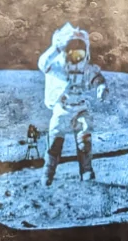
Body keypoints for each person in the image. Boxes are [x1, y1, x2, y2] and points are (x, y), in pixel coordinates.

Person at [37, 23, 108, 186]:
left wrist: (101, 86)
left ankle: (87, 172)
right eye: (72, 48)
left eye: (80, 49)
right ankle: (48, 174)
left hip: (81, 108)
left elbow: (97, 78)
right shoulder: (57, 66)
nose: (76, 53)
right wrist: (55, 47)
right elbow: (42, 64)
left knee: (84, 139)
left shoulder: (86, 69)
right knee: (54, 142)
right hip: (62, 109)